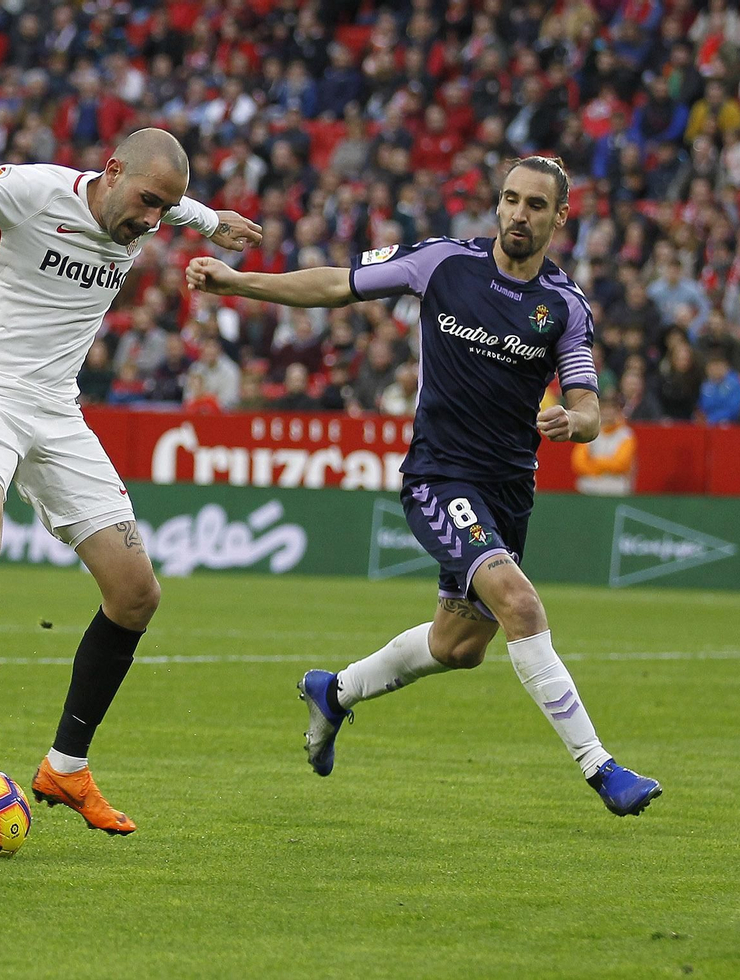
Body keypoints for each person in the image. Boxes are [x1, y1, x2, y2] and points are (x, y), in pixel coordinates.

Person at [186, 156, 662, 817]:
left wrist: (573, 422)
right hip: (440, 477)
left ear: (560, 216)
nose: (518, 214)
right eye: (510, 199)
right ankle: (601, 769)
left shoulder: (564, 308)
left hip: (507, 492)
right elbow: (337, 284)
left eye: (534, 205)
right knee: (520, 606)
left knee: (458, 647)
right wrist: (241, 285)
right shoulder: (443, 263)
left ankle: (336, 692)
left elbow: (588, 406)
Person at [0, 121, 260, 835]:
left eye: (163, 211)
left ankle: (66, 768)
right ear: (109, 171)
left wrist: (209, 221)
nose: (150, 220)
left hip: (59, 407)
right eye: (145, 202)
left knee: (137, 594)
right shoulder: (34, 191)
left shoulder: (144, 214)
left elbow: (174, 203)